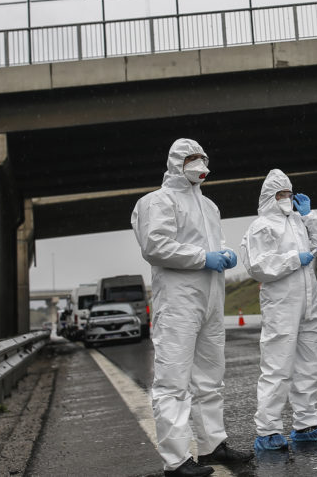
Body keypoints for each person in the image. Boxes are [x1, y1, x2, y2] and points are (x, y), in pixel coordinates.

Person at [131, 138, 253, 477]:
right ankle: (176, 460)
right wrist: (204, 258)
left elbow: (211, 243)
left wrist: (225, 253)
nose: (199, 165)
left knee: (210, 378)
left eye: (202, 158)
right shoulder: (157, 201)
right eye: (192, 158)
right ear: (176, 163)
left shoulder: (209, 206)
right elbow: (156, 246)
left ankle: (213, 445)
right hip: (178, 302)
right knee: (173, 382)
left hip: (211, 301)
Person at [241, 169, 317, 451]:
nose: (286, 199)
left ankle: (306, 424)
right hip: (282, 303)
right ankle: (267, 430)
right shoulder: (261, 226)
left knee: (310, 364)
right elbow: (259, 266)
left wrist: (310, 216)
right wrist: (295, 258)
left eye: (289, 194)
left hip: (310, 301)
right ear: (269, 197)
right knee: (277, 366)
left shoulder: (298, 221)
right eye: (280, 194)